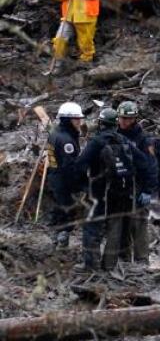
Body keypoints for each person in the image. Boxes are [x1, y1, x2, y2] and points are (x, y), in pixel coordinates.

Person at [71, 108, 157, 270]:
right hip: (120, 191)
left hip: (98, 193)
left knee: (92, 227)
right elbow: (144, 164)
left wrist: (82, 186)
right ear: (115, 123)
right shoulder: (123, 140)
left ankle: (92, 265)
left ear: (101, 124)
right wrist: (146, 188)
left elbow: (79, 166)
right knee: (115, 228)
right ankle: (110, 264)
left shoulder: (96, 142)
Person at [116, 101, 160, 262]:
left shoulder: (144, 140)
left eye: (127, 118)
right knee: (122, 222)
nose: (124, 121)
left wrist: (147, 190)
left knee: (138, 223)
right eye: (121, 118)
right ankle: (124, 257)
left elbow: (152, 167)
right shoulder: (115, 134)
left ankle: (142, 259)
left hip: (139, 185)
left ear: (135, 119)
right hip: (120, 186)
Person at [45, 102, 86, 248]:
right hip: (63, 180)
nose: (79, 122)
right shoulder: (66, 141)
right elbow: (69, 167)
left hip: (55, 177)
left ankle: (55, 236)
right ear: (68, 120)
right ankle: (61, 240)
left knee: (60, 206)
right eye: (76, 119)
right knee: (67, 209)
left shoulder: (55, 133)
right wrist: (79, 184)